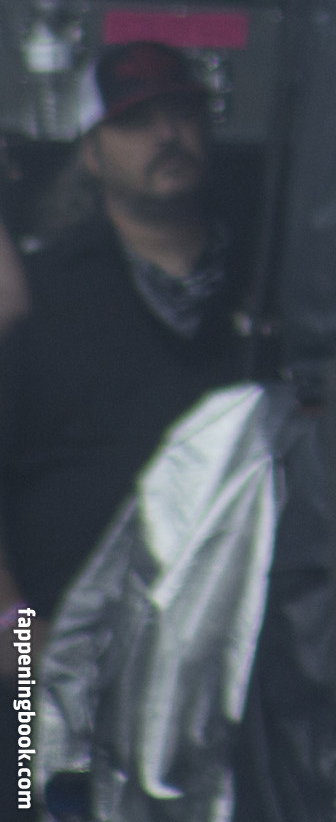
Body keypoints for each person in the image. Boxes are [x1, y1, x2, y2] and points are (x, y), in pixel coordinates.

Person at [0, 42, 243, 651]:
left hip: (226, 639)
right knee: (24, 715)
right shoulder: (36, 293)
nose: (166, 135)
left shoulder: (266, 280)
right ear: (91, 152)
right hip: (57, 647)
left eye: (182, 113)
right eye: (135, 121)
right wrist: (13, 628)